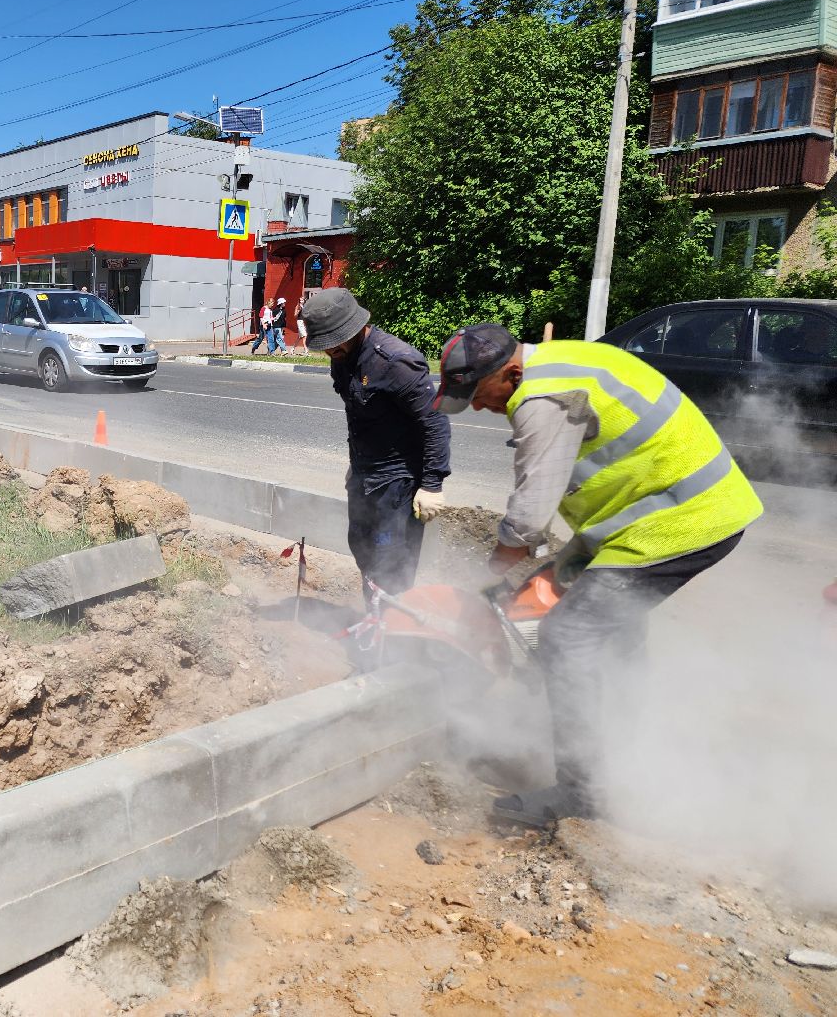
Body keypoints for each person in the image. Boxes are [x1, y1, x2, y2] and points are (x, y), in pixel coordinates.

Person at [433, 323, 764, 826]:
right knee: (611, 627)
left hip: (681, 520)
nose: (478, 407)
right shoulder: (558, 360)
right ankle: (628, 747)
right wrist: (534, 573)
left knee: (569, 634)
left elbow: (527, 516)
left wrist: (486, 580)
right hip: (648, 517)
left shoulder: (542, 398)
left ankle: (583, 797)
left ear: (512, 372)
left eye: (479, 395)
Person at [302, 288, 451, 599]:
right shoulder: (342, 356)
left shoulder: (396, 361)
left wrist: (432, 483)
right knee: (361, 543)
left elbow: (434, 421)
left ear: (354, 328)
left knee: (391, 561)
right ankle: (376, 617)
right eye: (325, 344)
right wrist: (356, 463)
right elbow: (358, 411)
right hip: (364, 473)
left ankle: (392, 632)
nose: (331, 350)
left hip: (398, 480)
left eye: (335, 341)